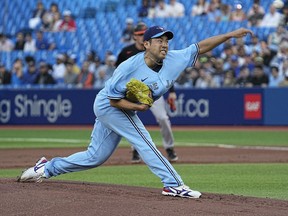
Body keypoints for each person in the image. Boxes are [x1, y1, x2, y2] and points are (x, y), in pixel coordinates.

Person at [17, 25, 253, 199]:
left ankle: (46, 168)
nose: (164, 44)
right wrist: (139, 107)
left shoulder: (175, 58)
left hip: (121, 106)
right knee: (144, 140)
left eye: (166, 40)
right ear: (146, 45)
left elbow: (200, 47)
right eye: (158, 40)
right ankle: (172, 183)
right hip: (109, 105)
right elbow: (112, 100)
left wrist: (229, 35)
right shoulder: (128, 67)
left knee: (94, 157)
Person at [116, 22, 178, 163]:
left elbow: (167, 73)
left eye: (144, 33)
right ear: (134, 37)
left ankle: (170, 148)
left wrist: (172, 91)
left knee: (163, 118)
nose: (142, 35)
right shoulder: (126, 52)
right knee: (130, 121)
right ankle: (135, 150)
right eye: (139, 34)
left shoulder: (155, 51)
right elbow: (117, 74)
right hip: (133, 94)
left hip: (154, 91)